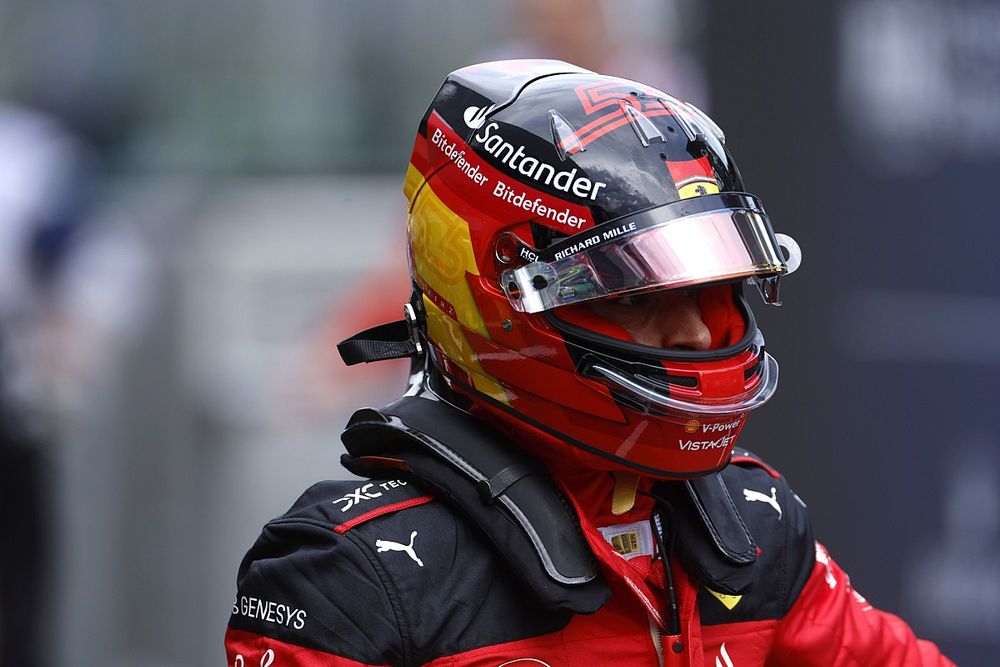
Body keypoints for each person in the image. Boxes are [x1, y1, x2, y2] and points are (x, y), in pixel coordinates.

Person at [225, 60, 952, 666]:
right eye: (640, 298)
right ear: (501, 299)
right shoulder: (349, 573)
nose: (699, 334)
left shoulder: (753, 524)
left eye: (713, 290)